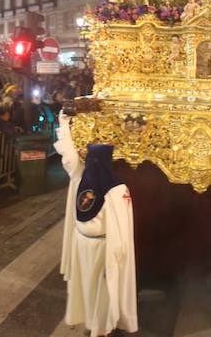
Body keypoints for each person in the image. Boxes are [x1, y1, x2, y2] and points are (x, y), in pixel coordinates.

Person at [54, 113, 137, 337]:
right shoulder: (81, 175)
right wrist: (63, 124)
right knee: (84, 289)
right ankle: (90, 323)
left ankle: (102, 329)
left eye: (96, 161)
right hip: (81, 243)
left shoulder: (117, 190)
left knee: (102, 292)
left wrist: (117, 256)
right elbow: (69, 156)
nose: (93, 165)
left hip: (103, 249)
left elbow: (121, 228)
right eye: (91, 160)